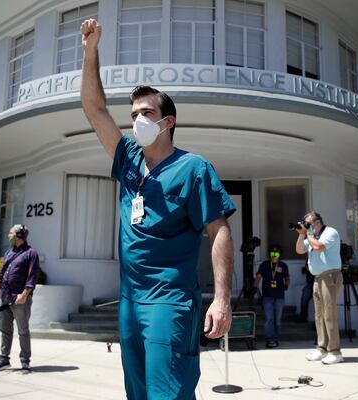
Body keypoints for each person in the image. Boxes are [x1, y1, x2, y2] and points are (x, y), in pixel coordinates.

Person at [80, 19, 236, 400]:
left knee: (167, 393)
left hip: (169, 301)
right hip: (130, 302)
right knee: (137, 393)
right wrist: (90, 52)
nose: (137, 120)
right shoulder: (128, 159)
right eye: (133, 113)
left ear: (168, 122)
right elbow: (94, 108)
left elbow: (219, 231)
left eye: (147, 113)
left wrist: (221, 298)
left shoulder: (193, 169)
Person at [0, 224, 39, 374]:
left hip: (20, 299)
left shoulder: (31, 253)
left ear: (19, 235)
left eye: (11, 233)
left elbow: (32, 277)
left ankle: (25, 362)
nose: (9, 235)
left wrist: (24, 295)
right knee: (5, 330)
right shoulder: (8, 253)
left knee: (23, 330)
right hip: (5, 298)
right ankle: (4, 360)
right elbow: (0, 276)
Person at [295, 211, 344, 364]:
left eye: (307, 222)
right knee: (319, 315)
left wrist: (308, 234)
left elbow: (319, 247)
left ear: (317, 222)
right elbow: (299, 250)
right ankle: (322, 348)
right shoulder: (311, 236)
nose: (305, 225)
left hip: (330, 276)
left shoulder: (330, 232)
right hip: (317, 278)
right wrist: (301, 235)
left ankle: (335, 352)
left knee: (329, 314)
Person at [252, 244, 290, 348]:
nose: (274, 255)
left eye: (276, 253)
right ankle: (270, 339)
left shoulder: (283, 265)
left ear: (279, 254)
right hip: (267, 296)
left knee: (277, 320)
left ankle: (275, 338)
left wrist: (286, 285)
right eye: (272, 253)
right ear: (269, 254)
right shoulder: (264, 265)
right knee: (269, 319)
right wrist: (254, 288)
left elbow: (287, 277)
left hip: (279, 296)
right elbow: (258, 276)